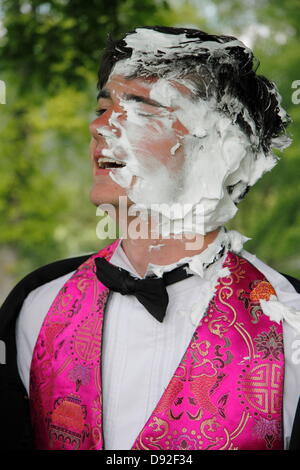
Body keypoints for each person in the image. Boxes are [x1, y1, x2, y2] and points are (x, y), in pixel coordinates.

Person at [1, 25, 300, 451]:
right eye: (103, 107)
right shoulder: (33, 309)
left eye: (140, 107)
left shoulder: (291, 326)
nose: (100, 126)